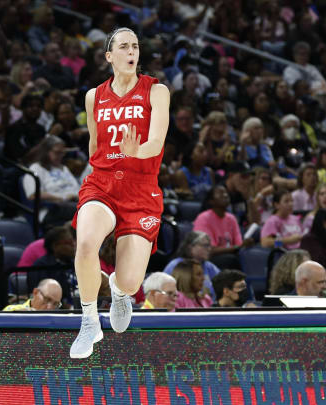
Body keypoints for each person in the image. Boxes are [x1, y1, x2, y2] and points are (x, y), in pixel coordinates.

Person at [69, 27, 171, 359]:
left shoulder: (156, 91)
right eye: (124, 46)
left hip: (141, 187)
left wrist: (136, 151)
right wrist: (109, 161)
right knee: (85, 245)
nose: (131, 51)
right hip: (103, 182)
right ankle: (88, 322)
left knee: (129, 281)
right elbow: (95, 144)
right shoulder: (93, 96)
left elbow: (156, 141)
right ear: (110, 56)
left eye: (136, 46)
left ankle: (118, 291)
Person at [163, 231, 221, 298]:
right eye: (205, 245)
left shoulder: (209, 266)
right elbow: (165, 290)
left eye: (209, 246)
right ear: (190, 247)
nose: (209, 249)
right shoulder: (176, 265)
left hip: (209, 305)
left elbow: (222, 283)